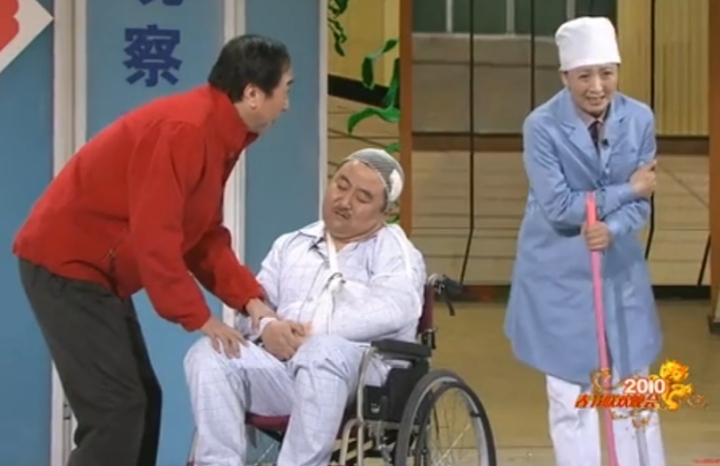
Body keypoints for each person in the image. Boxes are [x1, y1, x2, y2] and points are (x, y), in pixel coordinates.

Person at [13, 34, 291, 466]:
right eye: (285, 89)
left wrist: (250, 300)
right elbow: (155, 237)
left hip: (97, 272)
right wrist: (200, 318)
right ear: (253, 93)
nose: (287, 105)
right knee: (117, 409)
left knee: (142, 399)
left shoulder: (219, 135)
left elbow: (202, 236)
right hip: (66, 264)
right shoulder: (185, 130)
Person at [184, 148, 426, 466]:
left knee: (321, 351)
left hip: (361, 379)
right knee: (210, 353)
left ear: (386, 211)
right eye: (341, 185)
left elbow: (397, 307)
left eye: (362, 198)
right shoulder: (291, 245)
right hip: (285, 372)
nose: (344, 201)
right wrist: (269, 328)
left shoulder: (394, 250)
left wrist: (310, 332)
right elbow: (253, 307)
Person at [504, 17, 665, 466]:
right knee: (571, 394)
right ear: (565, 76)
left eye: (606, 73)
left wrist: (612, 227)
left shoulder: (639, 118)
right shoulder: (541, 126)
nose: (597, 87)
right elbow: (560, 206)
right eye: (584, 76)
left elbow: (644, 202)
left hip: (618, 267)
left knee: (634, 388)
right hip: (557, 272)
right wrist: (627, 190)